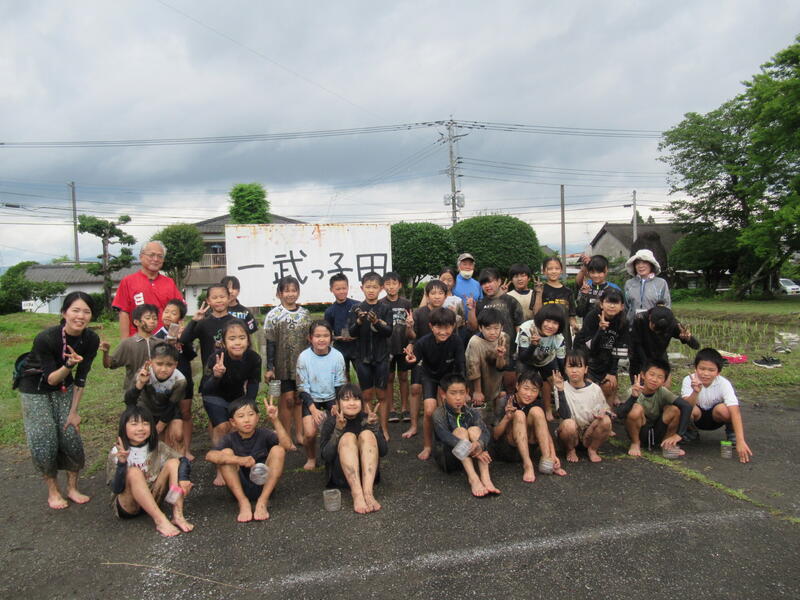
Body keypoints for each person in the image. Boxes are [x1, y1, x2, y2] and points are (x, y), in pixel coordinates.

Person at [16, 291, 99, 510]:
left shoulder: (91, 339)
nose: (80, 316)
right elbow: (51, 379)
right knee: (45, 439)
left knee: (70, 435)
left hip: (65, 386)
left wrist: (74, 412)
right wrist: (69, 364)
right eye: (75, 310)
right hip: (35, 388)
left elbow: (82, 377)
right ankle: (53, 491)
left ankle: (72, 488)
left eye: (86, 311)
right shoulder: (46, 338)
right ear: (64, 313)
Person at [106, 405, 193, 536]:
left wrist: (183, 478)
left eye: (145, 423)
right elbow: (116, 488)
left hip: (154, 497)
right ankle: (160, 520)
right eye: (134, 424)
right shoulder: (116, 452)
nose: (141, 428)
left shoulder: (157, 446)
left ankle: (178, 515)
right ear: (124, 427)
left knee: (174, 463)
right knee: (134, 472)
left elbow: (183, 460)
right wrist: (122, 464)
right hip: (129, 506)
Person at [205, 397, 290, 522]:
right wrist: (239, 460)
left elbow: (287, 446)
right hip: (238, 488)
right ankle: (243, 502)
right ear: (233, 422)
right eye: (241, 416)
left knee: (278, 450)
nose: (246, 420)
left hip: (264, 484)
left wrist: (275, 420)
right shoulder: (229, 438)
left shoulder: (265, 434)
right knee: (226, 454)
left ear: (257, 417)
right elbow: (210, 456)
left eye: (251, 414)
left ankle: (262, 501)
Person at [200, 319, 262, 485]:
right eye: (232, 338)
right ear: (224, 342)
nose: (237, 342)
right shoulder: (216, 358)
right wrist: (216, 375)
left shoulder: (254, 358)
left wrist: (248, 404)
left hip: (236, 395)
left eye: (242, 338)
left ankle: (236, 459)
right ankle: (221, 467)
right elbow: (206, 388)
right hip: (213, 395)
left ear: (248, 340)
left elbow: (254, 383)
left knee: (238, 424)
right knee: (222, 426)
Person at [404, 307, 466, 460]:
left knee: (453, 408)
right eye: (439, 327)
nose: (443, 332)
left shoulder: (456, 341)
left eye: (447, 327)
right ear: (431, 326)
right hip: (430, 376)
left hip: (449, 377)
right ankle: (427, 445)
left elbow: (461, 366)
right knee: (429, 410)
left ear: (453, 326)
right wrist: (411, 361)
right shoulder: (423, 342)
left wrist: (463, 390)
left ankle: (452, 442)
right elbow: (412, 363)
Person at [319, 384, 387, 514]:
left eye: (356, 399)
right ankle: (357, 494)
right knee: (348, 437)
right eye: (346, 399)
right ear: (338, 403)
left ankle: (368, 493)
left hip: (369, 477)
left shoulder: (369, 418)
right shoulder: (331, 422)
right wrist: (338, 431)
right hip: (342, 477)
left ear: (361, 402)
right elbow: (325, 456)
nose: (351, 403)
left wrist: (374, 428)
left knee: (367, 434)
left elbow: (383, 451)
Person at [432, 373, 500, 497]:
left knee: (475, 430)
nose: (458, 398)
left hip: (472, 456)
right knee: (460, 431)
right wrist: (476, 450)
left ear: (467, 392)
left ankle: (486, 478)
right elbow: (446, 437)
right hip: (449, 458)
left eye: (461, 393)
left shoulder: (472, 412)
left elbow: (485, 432)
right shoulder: (439, 414)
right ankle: (473, 478)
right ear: (443, 394)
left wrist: (479, 444)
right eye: (453, 393)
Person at [264, 276, 311, 449]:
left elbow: (310, 340)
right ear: (279, 293)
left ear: (298, 292)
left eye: (294, 290)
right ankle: (285, 436)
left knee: (299, 399)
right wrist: (270, 367)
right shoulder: (273, 315)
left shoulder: (305, 314)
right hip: (281, 365)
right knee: (287, 399)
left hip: (301, 365)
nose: (290, 294)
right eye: (287, 291)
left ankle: (299, 434)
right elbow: (270, 342)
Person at [492, 370, 565, 482]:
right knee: (519, 414)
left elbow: (545, 431)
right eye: (526, 388)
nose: (529, 394)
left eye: (534, 390)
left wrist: (553, 455)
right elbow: (495, 435)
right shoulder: (505, 401)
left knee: (537, 411)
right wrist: (507, 417)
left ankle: (547, 459)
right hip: (509, 448)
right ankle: (527, 465)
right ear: (517, 386)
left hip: (529, 447)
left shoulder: (537, 402)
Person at [682, 348, 753, 463]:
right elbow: (686, 407)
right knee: (687, 409)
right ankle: (691, 432)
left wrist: (741, 440)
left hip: (716, 418)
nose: (706, 373)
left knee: (724, 409)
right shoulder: (688, 380)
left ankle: (732, 434)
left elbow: (735, 411)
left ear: (718, 372)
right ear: (695, 368)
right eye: (702, 369)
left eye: (711, 370)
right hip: (697, 417)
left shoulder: (724, 383)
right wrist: (695, 391)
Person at [348, 271, 393, 440]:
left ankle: (384, 428)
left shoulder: (385, 308)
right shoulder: (356, 308)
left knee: (382, 395)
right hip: (362, 357)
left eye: (374, 287)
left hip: (381, 356)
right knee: (366, 395)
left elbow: (389, 331)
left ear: (381, 288)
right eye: (368, 287)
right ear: (362, 288)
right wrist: (359, 321)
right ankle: (368, 428)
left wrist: (377, 322)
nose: (371, 290)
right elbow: (352, 332)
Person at [402, 279, 449, 440]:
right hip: (421, 356)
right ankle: (414, 425)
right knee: (415, 388)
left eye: (440, 293)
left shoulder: (448, 313)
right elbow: (411, 337)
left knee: (441, 391)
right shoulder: (418, 313)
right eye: (433, 293)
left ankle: (441, 426)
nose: (437, 296)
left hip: (442, 358)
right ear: (427, 296)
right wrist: (409, 327)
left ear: (446, 296)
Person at [296, 320, 347, 470]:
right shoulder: (304, 357)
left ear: (331, 337)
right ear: (310, 338)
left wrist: (337, 404)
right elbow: (302, 388)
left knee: (338, 426)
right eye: (317, 336)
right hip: (311, 398)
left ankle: (336, 456)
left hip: (332, 397)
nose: (321, 339)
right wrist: (313, 409)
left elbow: (340, 384)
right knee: (310, 433)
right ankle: (311, 457)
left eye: (325, 335)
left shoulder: (338, 356)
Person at [616, 359, 693, 457]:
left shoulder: (663, 391)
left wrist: (679, 435)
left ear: (664, 381)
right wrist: (633, 397)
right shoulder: (633, 390)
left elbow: (686, 406)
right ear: (643, 375)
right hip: (640, 431)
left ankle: (667, 444)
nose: (654, 379)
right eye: (651, 375)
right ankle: (635, 443)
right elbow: (620, 414)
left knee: (675, 409)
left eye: (660, 377)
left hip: (658, 430)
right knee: (636, 409)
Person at [113, 240, 183, 339]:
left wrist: (172, 338)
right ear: (141, 256)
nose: (156, 259)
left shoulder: (169, 282)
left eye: (160, 256)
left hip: (164, 340)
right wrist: (125, 343)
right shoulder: (127, 282)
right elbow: (123, 313)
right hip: (138, 340)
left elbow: (178, 311)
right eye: (151, 255)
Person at [123, 343, 186, 454]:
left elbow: (172, 406)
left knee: (178, 435)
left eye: (169, 365)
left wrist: (159, 427)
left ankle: (181, 462)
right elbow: (129, 401)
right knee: (148, 440)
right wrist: (140, 383)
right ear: (151, 362)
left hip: (167, 409)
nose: (163, 369)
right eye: (159, 364)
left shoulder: (180, 381)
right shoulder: (143, 373)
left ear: (176, 365)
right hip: (146, 408)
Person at [153, 298, 196, 459]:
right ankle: (165, 451)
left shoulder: (183, 334)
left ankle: (186, 449)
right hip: (164, 383)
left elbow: (191, 355)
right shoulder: (157, 336)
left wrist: (182, 340)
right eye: (166, 311)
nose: (168, 315)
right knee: (165, 415)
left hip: (184, 379)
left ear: (180, 318)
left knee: (185, 412)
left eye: (173, 313)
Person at [469, 268, 524, 392]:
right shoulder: (480, 303)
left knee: (510, 385)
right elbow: (474, 327)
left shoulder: (511, 301)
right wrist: (471, 309)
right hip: (487, 353)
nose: (487, 286)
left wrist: (519, 349)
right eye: (484, 283)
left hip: (508, 351)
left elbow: (519, 326)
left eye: (490, 281)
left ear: (499, 281)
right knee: (491, 389)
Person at [573, 288, 628, 407]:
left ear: (622, 306)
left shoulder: (623, 321)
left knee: (609, 385)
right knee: (588, 389)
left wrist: (612, 372)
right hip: (587, 356)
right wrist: (601, 329)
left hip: (606, 357)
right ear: (601, 304)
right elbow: (591, 347)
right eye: (608, 302)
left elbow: (619, 349)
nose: (612, 306)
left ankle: (608, 412)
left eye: (615, 303)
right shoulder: (592, 317)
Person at [555, 350, 613, 463]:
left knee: (606, 421)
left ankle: (592, 449)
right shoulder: (560, 387)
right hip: (570, 434)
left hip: (589, 432)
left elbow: (606, 411)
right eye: (570, 366)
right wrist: (561, 391)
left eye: (579, 366)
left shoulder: (595, 389)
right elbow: (564, 415)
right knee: (568, 424)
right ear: (565, 369)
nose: (574, 370)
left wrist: (604, 414)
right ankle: (570, 450)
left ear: (586, 369)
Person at [516, 304, 566, 420]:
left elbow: (561, 362)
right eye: (547, 321)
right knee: (523, 381)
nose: (550, 326)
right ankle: (520, 410)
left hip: (547, 359)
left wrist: (561, 377)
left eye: (555, 323)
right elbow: (523, 357)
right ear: (541, 320)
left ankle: (549, 410)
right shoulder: (526, 329)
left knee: (552, 380)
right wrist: (533, 345)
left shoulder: (559, 338)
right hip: (527, 358)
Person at [379, 271, 414, 425]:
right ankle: (392, 409)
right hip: (386, 348)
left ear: (400, 285)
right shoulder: (380, 304)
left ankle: (405, 408)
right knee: (389, 378)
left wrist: (411, 341)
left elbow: (411, 325)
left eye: (394, 283)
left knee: (404, 377)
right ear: (383, 286)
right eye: (388, 284)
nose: (391, 287)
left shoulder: (406, 303)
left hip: (403, 346)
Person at [629, 305, 699, 380]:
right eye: (654, 330)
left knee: (663, 381)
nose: (657, 333)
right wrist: (647, 365)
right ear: (650, 318)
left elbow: (696, 346)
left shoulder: (673, 323)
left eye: (660, 332)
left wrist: (688, 339)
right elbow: (636, 345)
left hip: (659, 354)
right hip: (639, 356)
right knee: (640, 383)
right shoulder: (640, 319)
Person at [101, 303, 161, 390]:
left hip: (157, 391)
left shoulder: (160, 343)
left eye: (155, 318)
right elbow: (109, 364)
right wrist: (106, 353)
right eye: (148, 318)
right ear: (136, 322)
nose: (152, 321)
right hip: (134, 391)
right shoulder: (128, 344)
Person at [179, 284, 234, 375]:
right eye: (214, 298)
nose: (219, 300)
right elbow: (183, 340)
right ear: (208, 301)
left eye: (222, 297)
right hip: (209, 374)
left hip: (232, 373)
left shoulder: (235, 323)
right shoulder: (203, 323)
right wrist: (194, 321)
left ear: (229, 298)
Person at [465, 308, 508, 414]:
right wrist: (477, 391)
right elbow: (473, 367)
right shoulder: (475, 342)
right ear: (480, 328)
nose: (492, 332)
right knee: (478, 409)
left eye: (496, 328)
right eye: (488, 328)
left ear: (502, 327)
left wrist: (500, 356)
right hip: (477, 380)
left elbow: (501, 367)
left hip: (494, 378)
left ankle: (496, 418)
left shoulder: (504, 337)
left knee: (499, 402)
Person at [532, 256, 578, 349]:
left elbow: (571, 316)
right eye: (550, 269)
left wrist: (574, 325)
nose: (554, 271)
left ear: (561, 270)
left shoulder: (568, 291)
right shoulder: (539, 289)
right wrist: (539, 293)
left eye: (557, 268)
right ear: (544, 271)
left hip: (564, 337)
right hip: (545, 336)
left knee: (563, 357)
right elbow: (536, 313)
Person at [324, 273, 360, 383]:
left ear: (348, 287)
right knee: (343, 379)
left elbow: (364, 327)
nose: (341, 291)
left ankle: (362, 394)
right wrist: (338, 338)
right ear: (331, 290)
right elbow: (327, 334)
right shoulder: (330, 311)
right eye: (338, 289)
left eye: (344, 288)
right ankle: (346, 393)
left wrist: (356, 336)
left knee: (363, 377)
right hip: (340, 349)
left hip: (357, 347)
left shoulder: (357, 305)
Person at [623, 248, 671, 325]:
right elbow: (626, 307)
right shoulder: (629, 284)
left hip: (653, 326)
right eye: (637, 263)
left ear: (651, 264)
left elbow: (666, 307)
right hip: (632, 325)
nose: (640, 266)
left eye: (644, 262)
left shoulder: (661, 283)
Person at [452, 253, 483, 323]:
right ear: (458, 266)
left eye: (470, 264)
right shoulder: (452, 282)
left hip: (474, 323)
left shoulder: (477, 284)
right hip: (456, 323)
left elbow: (481, 303)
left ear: (473, 267)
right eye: (464, 264)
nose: (468, 267)